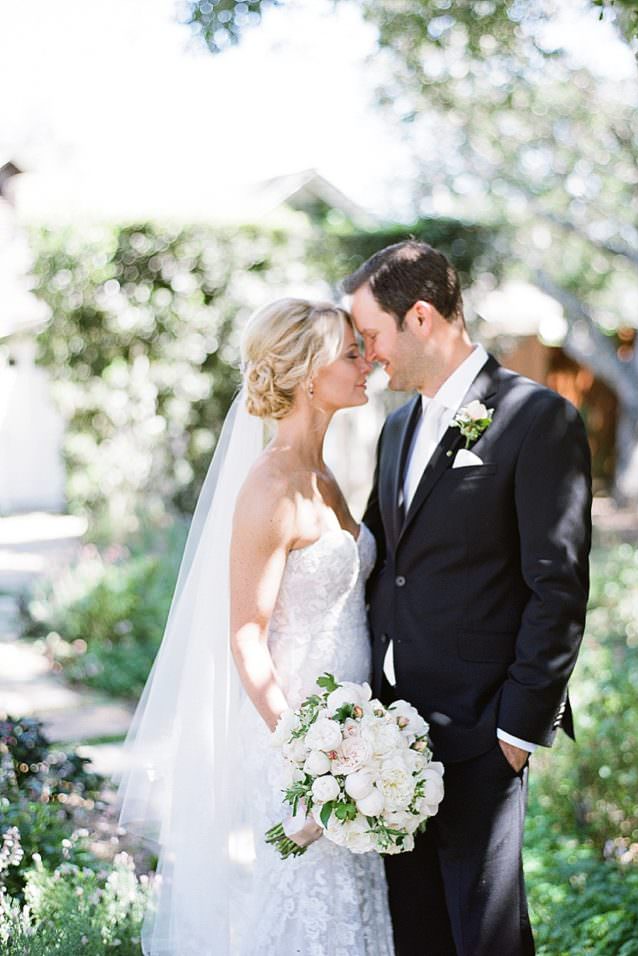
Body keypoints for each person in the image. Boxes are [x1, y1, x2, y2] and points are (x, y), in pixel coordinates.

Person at [117, 298, 394, 955]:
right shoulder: (271, 486)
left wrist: (364, 744)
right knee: (305, 912)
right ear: (308, 373)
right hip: (298, 738)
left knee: (354, 907)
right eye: (351, 353)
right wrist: (311, 755)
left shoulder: (322, 476)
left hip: (356, 735)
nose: (368, 364)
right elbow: (245, 636)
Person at [345, 241, 592, 956]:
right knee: (416, 932)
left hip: (485, 734)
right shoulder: (396, 428)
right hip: (391, 742)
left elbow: (559, 585)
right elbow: (386, 563)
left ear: (420, 318)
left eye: (372, 335)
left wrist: (516, 734)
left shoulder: (537, 418)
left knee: (488, 939)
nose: (367, 354)